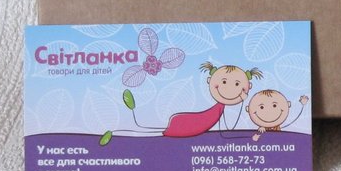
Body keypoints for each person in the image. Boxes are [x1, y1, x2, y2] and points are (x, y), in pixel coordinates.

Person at [99, 61, 262, 145]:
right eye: (224, 82)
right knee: (145, 128)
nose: (229, 89)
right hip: (185, 123)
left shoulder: (219, 111)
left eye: (237, 84)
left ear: (248, 87)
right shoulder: (215, 111)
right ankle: (116, 131)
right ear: (210, 81)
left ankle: (118, 131)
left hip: (187, 123)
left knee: (147, 129)